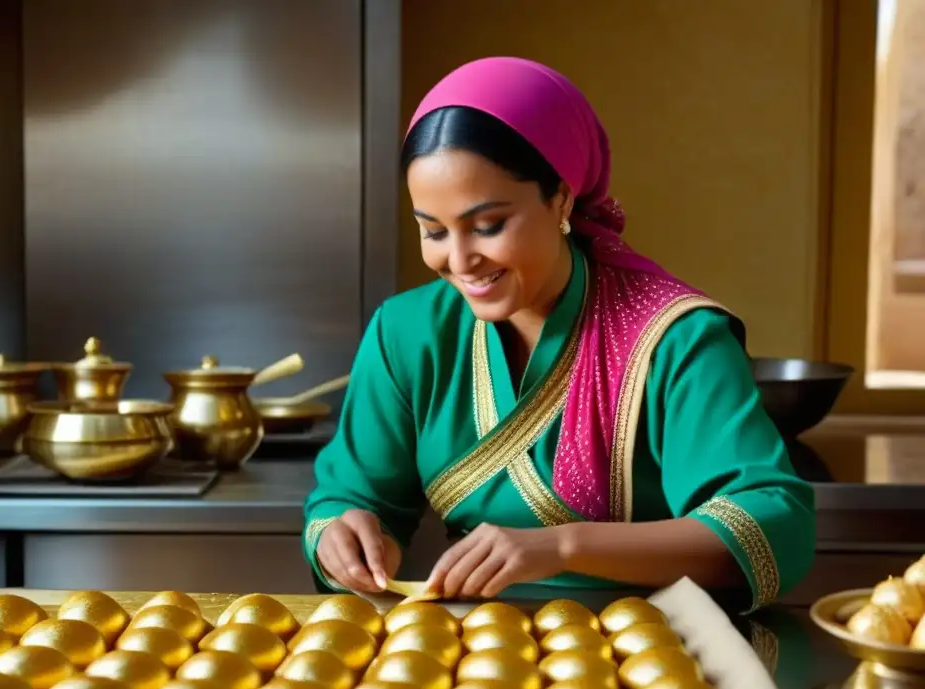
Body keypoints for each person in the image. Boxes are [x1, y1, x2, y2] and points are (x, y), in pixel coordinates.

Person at [303, 56, 814, 612]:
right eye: (432, 231)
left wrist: (565, 546)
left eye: (488, 226)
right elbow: (350, 496)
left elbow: (770, 523)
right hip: (472, 647)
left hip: (655, 645)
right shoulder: (405, 333)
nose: (460, 260)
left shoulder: (676, 338)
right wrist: (341, 535)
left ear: (562, 198)